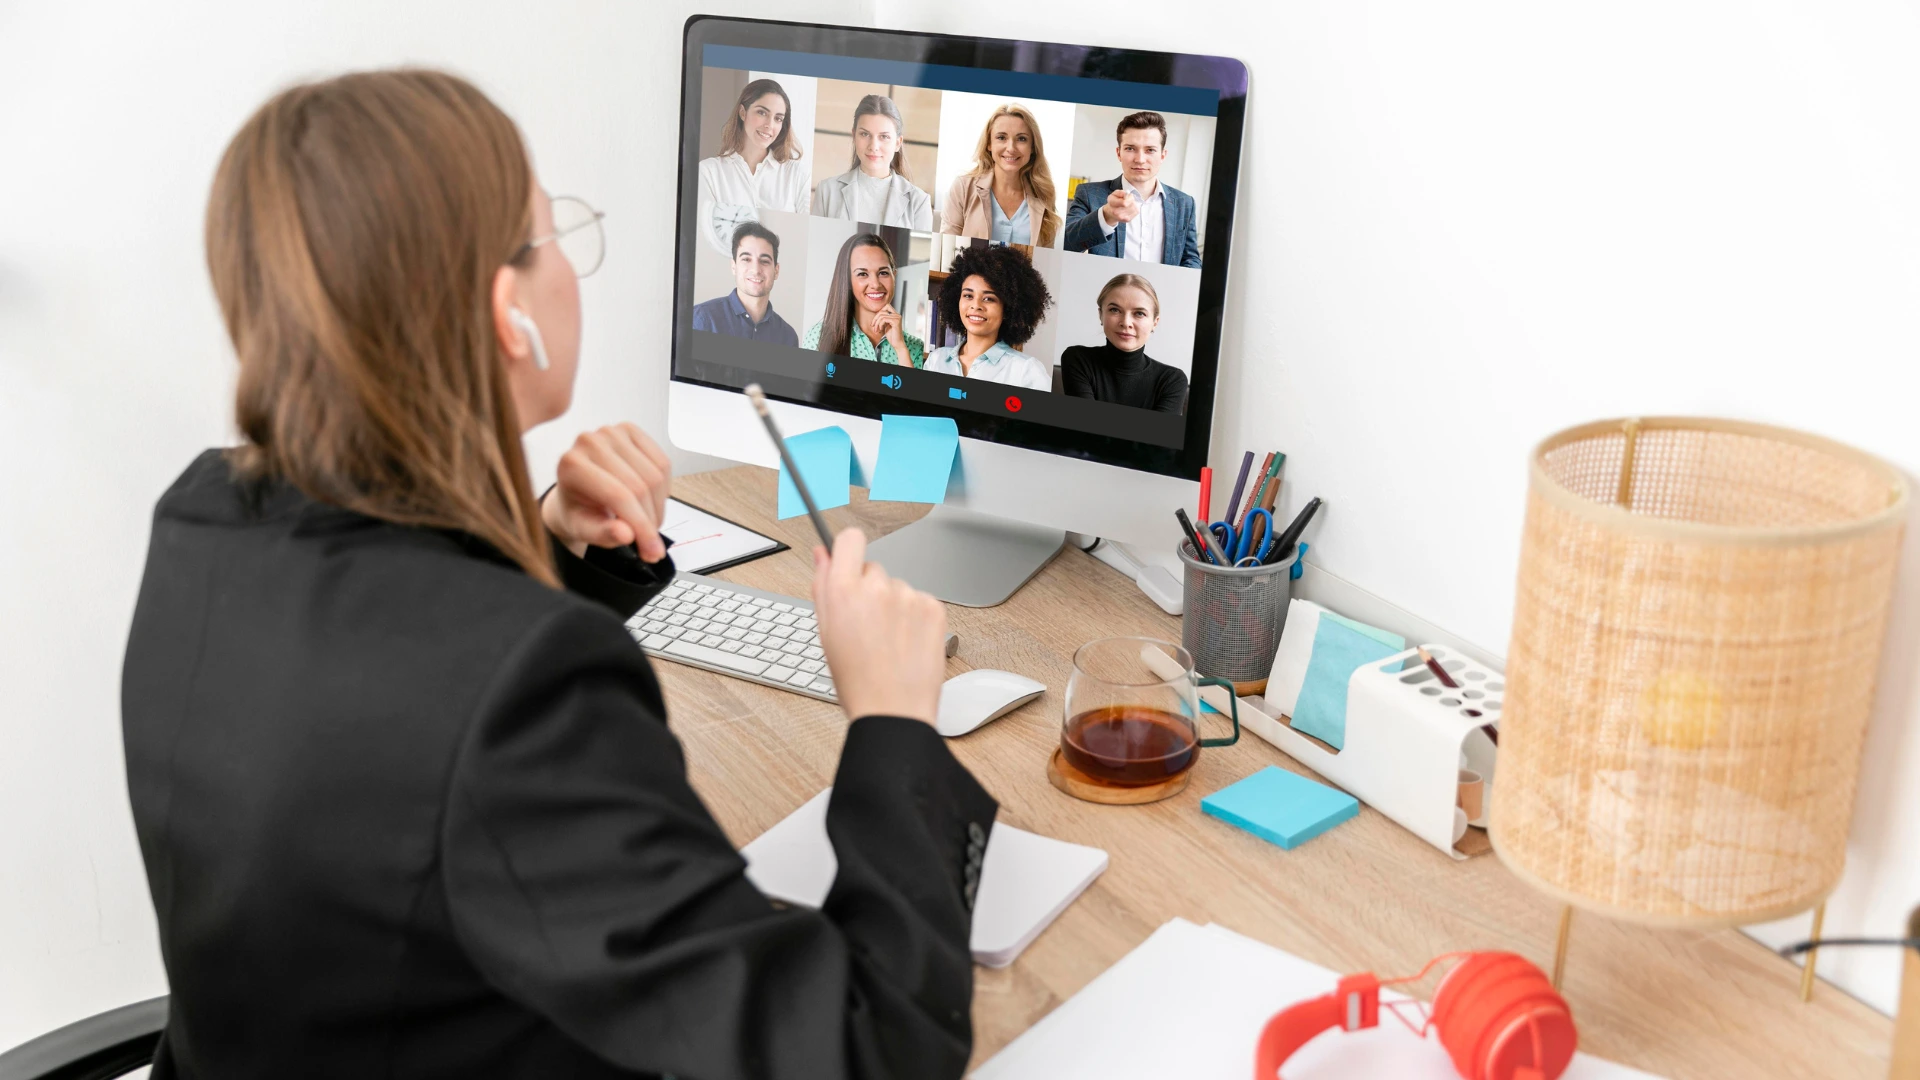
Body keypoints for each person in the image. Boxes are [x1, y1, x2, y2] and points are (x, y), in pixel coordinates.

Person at [122, 70, 993, 1080]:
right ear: (510, 313)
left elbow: (403, 752)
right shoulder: (521, 688)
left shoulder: (205, 514)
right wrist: (893, 725)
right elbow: (869, 1047)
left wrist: (540, 548)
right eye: (553, 239)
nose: (570, 268)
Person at [1063, 111, 1202, 268]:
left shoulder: (1184, 203)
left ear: (1163, 155)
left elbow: (1191, 259)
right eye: (1130, 148)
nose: (1140, 159)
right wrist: (1106, 216)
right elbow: (1065, 243)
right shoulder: (1089, 194)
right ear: (1119, 153)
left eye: (1150, 150)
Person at [696, 77, 809, 254]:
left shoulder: (796, 175)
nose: (769, 125)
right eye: (762, 113)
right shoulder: (709, 173)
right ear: (743, 112)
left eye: (778, 118)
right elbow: (705, 236)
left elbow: (804, 237)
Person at [923, 245, 1053, 390]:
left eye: (989, 299)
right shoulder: (936, 360)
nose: (976, 305)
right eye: (968, 296)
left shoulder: (1026, 371)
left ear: (1007, 309)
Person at [1061, 273, 1189, 412]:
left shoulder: (1172, 380)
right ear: (1101, 315)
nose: (1126, 323)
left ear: (1155, 322)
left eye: (1139, 313)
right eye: (1115, 310)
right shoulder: (1077, 359)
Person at [940, 104, 1060, 248]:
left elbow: (1046, 259)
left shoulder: (1044, 193)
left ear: (1032, 147)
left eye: (1021, 139)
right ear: (989, 144)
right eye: (1001, 137)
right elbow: (947, 248)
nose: (1011, 148)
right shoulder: (963, 188)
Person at [802, 232, 926, 368]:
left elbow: (912, 389)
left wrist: (901, 349)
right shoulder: (818, 338)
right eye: (862, 274)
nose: (875, 284)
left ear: (894, 276)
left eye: (883, 273)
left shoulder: (914, 347)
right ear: (848, 282)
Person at [810, 94, 933, 231]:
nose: (873, 146)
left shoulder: (919, 202)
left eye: (884, 137)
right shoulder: (827, 191)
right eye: (865, 134)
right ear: (854, 136)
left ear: (898, 143)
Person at [692, 221, 798, 347]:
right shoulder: (702, 320)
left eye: (764, 261)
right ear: (733, 267)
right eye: (746, 259)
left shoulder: (788, 337)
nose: (756, 270)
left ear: (776, 271)